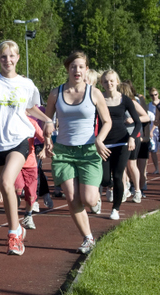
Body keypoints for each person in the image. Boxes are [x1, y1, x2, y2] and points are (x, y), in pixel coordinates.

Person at [0, 40, 54, 256]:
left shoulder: (27, 84)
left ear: (17, 58)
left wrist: (48, 120)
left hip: (19, 139)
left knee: (7, 181)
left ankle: (13, 235)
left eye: (11, 56)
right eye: (3, 56)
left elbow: (30, 108)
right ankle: (17, 226)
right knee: (5, 190)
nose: (8, 60)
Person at [44, 52, 111, 254]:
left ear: (87, 70)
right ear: (68, 69)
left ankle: (96, 200)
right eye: (73, 66)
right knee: (72, 198)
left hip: (89, 151)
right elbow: (47, 120)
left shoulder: (94, 93)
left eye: (81, 67)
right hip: (64, 152)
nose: (77, 70)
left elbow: (107, 121)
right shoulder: (56, 93)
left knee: (89, 200)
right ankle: (88, 238)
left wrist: (99, 139)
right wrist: (47, 138)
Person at [99, 71, 142, 220]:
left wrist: (132, 138)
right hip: (104, 144)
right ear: (101, 84)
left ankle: (115, 209)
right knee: (104, 179)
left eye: (111, 81)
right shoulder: (99, 100)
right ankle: (118, 188)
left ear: (117, 82)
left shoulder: (125, 100)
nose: (109, 84)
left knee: (118, 176)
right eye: (105, 81)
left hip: (122, 142)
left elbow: (138, 122)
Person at [17, 116, 44, 229]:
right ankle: (13, 217)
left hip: (30, 163)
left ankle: (28, 215)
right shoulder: (9, 120)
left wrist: (44, 150)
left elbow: (43, 138)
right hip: (15, 163)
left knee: (31, 194)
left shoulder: (31, 122)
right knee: (17, 189)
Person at [147, 87, 160, 175]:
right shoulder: (149, 105)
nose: (154, 97)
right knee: (153, 150)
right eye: (152, 95)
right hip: (152, 130)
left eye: (155, 95)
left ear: (158, 94)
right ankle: (157, 168)